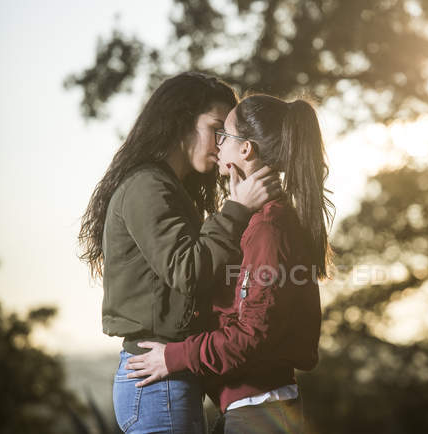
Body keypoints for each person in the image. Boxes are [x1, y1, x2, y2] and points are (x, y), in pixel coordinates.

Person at [78, 73, 281, 433]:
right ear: (180, 121)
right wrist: (237, 208)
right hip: (157, 382)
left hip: (168, 376)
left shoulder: (169, 189)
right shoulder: (147, 186)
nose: (222, 145)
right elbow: (187, 270)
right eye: (216, 129)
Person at [124, 94, 334, 433]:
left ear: (246, 149)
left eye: (225, 136)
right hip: (254, 409)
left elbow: (252, 334)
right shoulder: (261, 222)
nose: (217, 145)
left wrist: (174, 356)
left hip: (260, 413)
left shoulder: (268, 228)